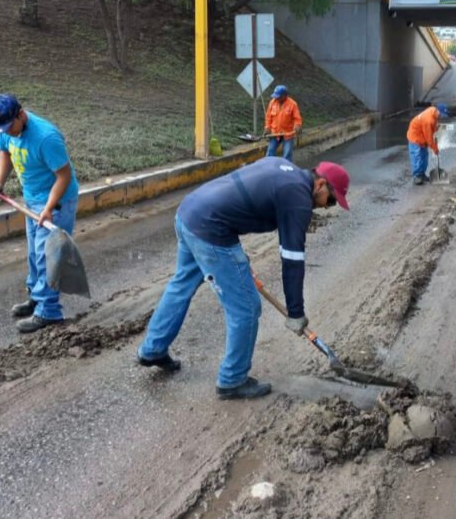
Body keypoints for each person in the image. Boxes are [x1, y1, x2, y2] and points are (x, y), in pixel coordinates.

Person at [137, 157, 351, 400]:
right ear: (321, 184)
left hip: (189, 213)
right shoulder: (298, 198)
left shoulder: (284, 166)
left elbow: (242, 200)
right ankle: (233, 379)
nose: (325, 207)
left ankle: (153, 349)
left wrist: (237, 261)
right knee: (246, 307)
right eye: (331, 201)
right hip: (211, 230)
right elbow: (292, 260)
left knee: (181, 284)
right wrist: (295, 312)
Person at [0, 93, 80, 333]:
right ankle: (36, 297)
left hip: (56, 201)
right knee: (33, 253)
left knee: (47, 256)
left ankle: (49, 311)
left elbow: (64, 176)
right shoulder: (6, 130)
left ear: (21, 115)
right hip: (32, 200)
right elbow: (5, 152)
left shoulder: (46, 138)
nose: (5, 133)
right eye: (0, 129)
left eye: (8, 127)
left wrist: (48, 209)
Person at [406, 103, 449, 185]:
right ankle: (417, 176)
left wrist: (436, 134)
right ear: (437, 111)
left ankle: (422, 174)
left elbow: (433, 128)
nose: (441, 117)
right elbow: (429, 138)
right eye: (441, 114)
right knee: (417, 156)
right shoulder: (428, 120)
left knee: (424, 156)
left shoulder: (434, 112)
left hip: (422, 134)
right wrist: (435, 148)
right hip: (415, 136)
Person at [264, 85, 303, 161]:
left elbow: (297, 118)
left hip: (287, 133)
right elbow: (268, 117)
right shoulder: (272, 102)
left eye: (278, 97)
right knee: (270, 152)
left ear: (284, 96)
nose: (276, 98)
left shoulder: (292, 104)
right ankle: (269, 168)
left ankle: (286, 169)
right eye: (275, 96)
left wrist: (297, 125)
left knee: (287, 154)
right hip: (275, 132)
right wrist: (267, 127)